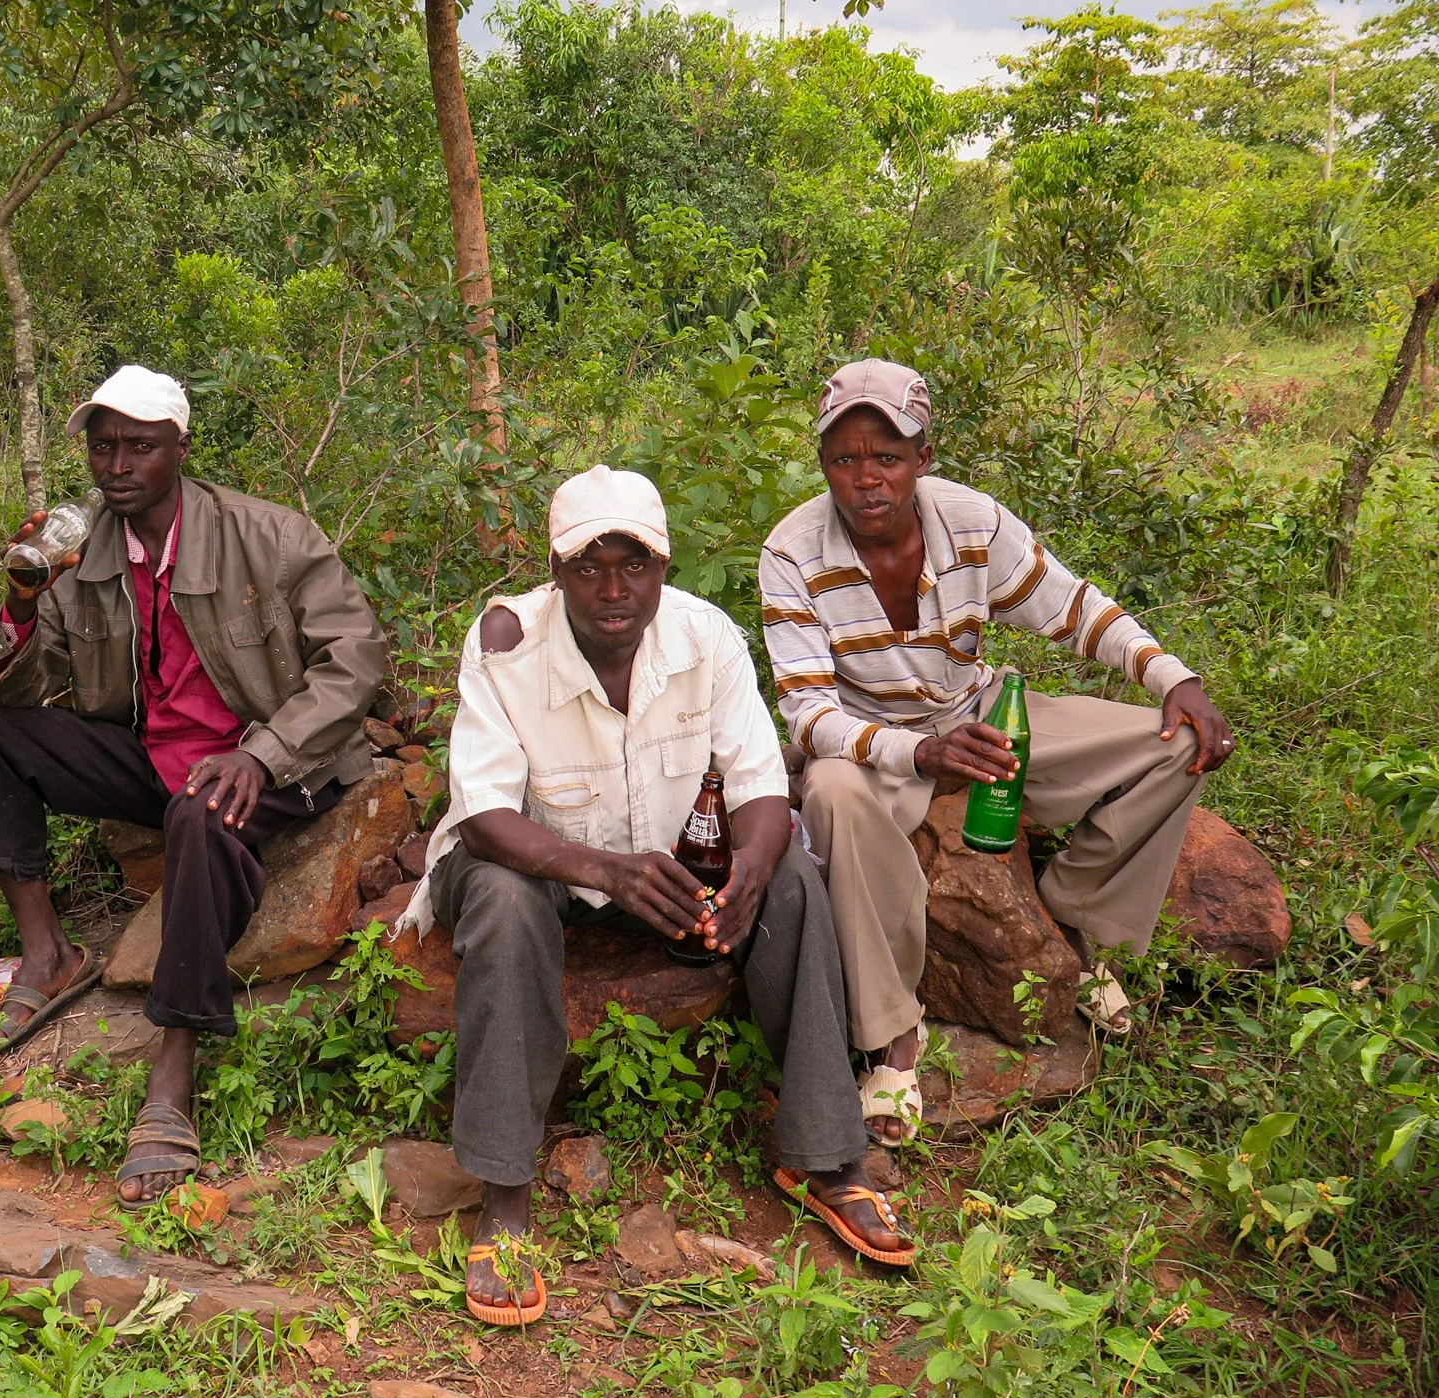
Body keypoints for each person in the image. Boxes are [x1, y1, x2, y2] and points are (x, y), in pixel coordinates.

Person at [401, 465, 916, 1327]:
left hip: (667, 871)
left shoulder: (704, 637)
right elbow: (486, 816)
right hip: (531, 862)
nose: (614, 590)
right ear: (556, 572)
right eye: (589, 568)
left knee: (790, 871)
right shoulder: (505, 644)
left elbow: (759, 784)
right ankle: (505, 1196)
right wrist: (607, 872)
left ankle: (827, 1158)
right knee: (503, 902)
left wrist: (751, 870)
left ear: (664, 567)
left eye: (634, 565)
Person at [0, 364, 388, 1208]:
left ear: (180, 448)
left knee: (201, 811)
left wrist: (264, 754)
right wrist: (22, 603)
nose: (117, 466)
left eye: (139, 447)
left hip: (278, 764)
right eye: (103, 447)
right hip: (155, 760)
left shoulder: (272, 536)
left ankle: (175, 1062)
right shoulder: (84, 552)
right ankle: (48, 952)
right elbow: (16, 689)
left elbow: (355, 660)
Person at [760, 359, 1237, 1146]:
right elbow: (809, 716)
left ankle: (1078, 929)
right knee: (830, 793)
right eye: (845, 458)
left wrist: (1174, 677)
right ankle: (892, 1035)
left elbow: (1074, 609)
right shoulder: (792, 551)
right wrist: (921, 754)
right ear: (823, 465)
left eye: (888, 456)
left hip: (977, 716)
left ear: (923, 456)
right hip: (872, 747)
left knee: (1176, 742)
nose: (867, 478)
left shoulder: (971, 521)